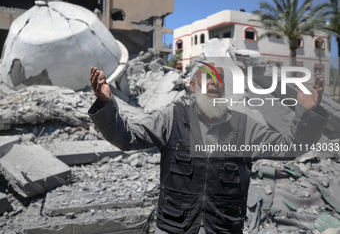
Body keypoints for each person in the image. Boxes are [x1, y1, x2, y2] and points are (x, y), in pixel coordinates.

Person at [88, 61, 329, 234]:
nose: (215, 83)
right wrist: (106, 104)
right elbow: (126, 137)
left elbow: (290, 147)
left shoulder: (245, 127)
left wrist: (307, 112)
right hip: (174, 227)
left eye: (220, 79)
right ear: (193, 87)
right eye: (207, 77)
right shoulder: (171, 118)